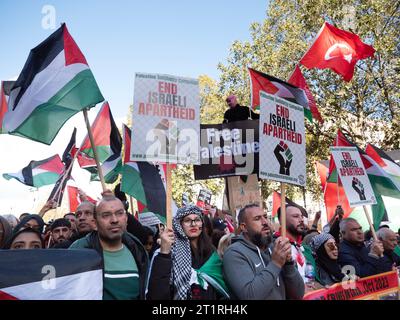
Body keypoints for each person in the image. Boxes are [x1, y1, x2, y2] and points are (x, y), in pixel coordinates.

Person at [69, 194, 149, 300]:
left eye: (119, 213)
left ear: (126, 218)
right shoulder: (79, 250)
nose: (114, 220)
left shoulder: (138, 252)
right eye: (106, 215)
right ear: (95, 223)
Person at [147, 205, 230, 300]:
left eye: (197, 220)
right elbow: (156, 293)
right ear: (179, 225)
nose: (193, 224)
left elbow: (220, 289)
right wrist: (164, 254)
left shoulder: (211, 253)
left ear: (202, 224)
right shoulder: (168, 252)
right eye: (187, 220)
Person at [223, 204, 304, 300]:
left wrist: (288, 264)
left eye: (265, 217)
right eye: (257, 218)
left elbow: (298, 294)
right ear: (244, 227)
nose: (265, 222)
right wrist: (276, 263)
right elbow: (249, 296)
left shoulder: (275, 247)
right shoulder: (234, 253)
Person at [275, 205, 307, 281]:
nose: (301, 220)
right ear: (282, 220)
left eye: (301, 216)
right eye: (296, 216)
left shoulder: (305, 249)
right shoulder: (275, 246)